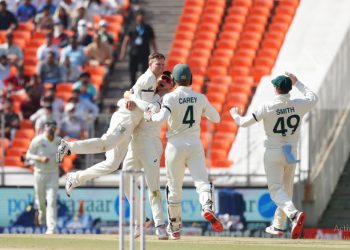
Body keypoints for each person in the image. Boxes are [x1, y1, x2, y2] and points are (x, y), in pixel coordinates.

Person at [57, 52, 165, 198]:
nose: (161, 68)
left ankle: (76, 178)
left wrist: (130, 98)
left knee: (112, 164)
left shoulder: (150, 81)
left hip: (130, 124)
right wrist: (132, 100)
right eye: (158, 64)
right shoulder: (149, 79)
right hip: (125, 119)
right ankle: (69, 146)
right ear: (150, 64)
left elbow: (129, 94)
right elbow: (141, 105)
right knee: (106, 143)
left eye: (163, 65)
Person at [229, 72, 318, 239]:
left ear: (276, 89)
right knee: (286, 190)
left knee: (276, 190)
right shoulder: (299, 104)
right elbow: (313, 97)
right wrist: (297, 82)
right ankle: (278, 225)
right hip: (291, 152)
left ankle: (293, 215)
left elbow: (244, 123)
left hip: (273, 151)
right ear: (289, 89)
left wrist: (234, 114)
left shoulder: (267, 106)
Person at [144, 64, 223, 239]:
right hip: (195, 144)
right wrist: (200, 112)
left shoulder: (170, 98)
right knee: (202, 182)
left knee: (174, 188)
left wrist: (150, 115)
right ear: (191, 79)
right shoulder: (200, 97)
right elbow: (216, 118)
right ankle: (207, 207)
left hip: (175, 146)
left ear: (174, 80)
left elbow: (161, 119)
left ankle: (175, 227)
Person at [122, 71, 175, 240]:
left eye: (167, 80)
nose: (163, 81)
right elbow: (126, 93)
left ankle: (160, 225)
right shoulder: (146, 89)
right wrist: (129, 98)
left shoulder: (165, 100)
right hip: (134, 143)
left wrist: (133, 99)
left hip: (150, 144)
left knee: (152, 186)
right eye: (162, 77)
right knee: (125, 180)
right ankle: (141, 220)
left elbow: (148, 112)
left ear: (171, 86)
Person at [26, 120, 61, 234]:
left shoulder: (59, 141)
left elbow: (65, 154)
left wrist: (60, 160)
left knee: (51, 201)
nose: (50, 130)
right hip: (39, 173)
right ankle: (42, 213)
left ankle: (51, 228)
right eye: (48, 127)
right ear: (44, 128)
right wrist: (40, 159)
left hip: (53, 173)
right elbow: (28, 154)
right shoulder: (38, 140)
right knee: (41, 201)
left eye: (53, 127)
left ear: (55, 129)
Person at [119, 9, 157, 87]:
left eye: (142, 17)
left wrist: (156, 53)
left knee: (144, 71)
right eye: (139, 17)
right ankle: (133, 87)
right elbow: (126, 41)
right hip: (134, 53)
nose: (141, 19)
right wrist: (123, 53)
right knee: (133, 71)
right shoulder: (132, 27)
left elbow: (153, 41)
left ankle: (143, 87)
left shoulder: (148, 28)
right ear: (136, 17)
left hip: (145, 53)